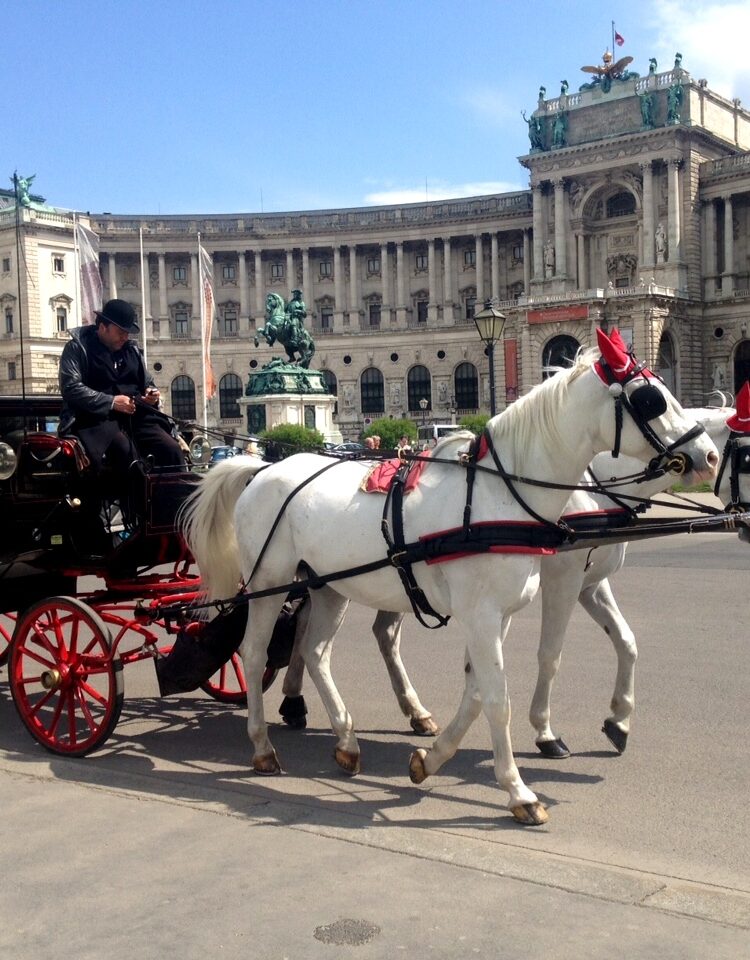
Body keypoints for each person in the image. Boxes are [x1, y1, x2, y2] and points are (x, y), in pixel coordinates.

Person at [59, 299, 184, 511]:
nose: (126, 337)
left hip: (137, 416)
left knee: (171, 450)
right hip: (96, 421)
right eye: (121, 332)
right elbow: (70, 388)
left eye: (128, 332)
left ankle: (174, 512)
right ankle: (142, 515)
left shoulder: (132, 351)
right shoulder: (78, 348)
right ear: (103, 327)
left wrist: (151, 395)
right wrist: (111, 402)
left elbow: (147, 383)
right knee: (127, 454)